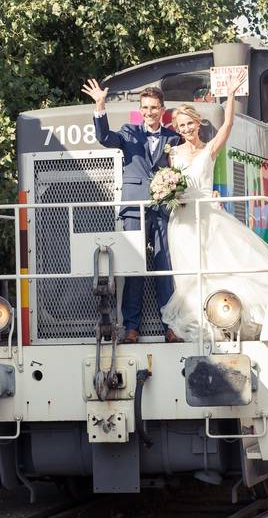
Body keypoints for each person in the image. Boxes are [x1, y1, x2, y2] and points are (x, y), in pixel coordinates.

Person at [160, 98, 268, 342]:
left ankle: (228, 317)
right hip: (183, 220)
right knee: (191, 274)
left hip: (207, 214)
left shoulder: (210, 149)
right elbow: (172, 182)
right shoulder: (173, 153)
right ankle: (202, 324)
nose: (185, 129)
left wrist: (230, 94)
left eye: (189, 124)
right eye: (181, 126)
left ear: (197, 123)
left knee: (222, 265)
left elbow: (227, 124)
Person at [82, 78, 182, 343]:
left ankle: (170, 325)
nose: (149, 112)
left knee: (164, 267)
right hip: (134, 209)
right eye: (145, 107)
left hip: (163, 210)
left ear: (162, 110)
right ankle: (131, 327)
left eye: (154, 107)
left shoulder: (174, 138)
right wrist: (100, 105)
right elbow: (104, 137)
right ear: (141, 110)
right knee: (134, 268)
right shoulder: (129, 132)